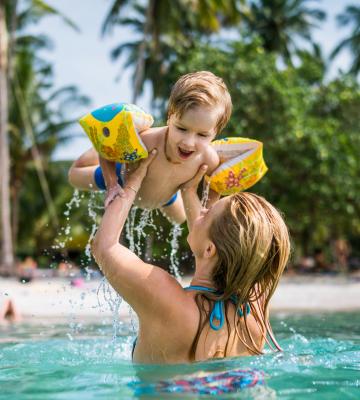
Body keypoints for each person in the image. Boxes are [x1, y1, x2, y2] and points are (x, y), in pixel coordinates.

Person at [91, 150, 291, 364]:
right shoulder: (256, 310)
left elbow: (105, 247)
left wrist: (132, 183)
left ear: (209, 250)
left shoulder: (166, 298)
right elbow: (238, 248)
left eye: (208, 213)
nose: (202, 211)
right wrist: (189, 192)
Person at [68, 71, 232, 224]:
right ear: (170, 117)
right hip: (121, 176)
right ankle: (98, 145)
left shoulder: (209, 160)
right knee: (74, 176)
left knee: (180, 219)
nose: (188, 142)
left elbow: (215, 186)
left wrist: (209, 210)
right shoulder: (146, 141)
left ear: (216, 132)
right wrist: (112, 184)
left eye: (202, 135)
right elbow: (108, 153)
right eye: (181, 129)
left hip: (165, 197)